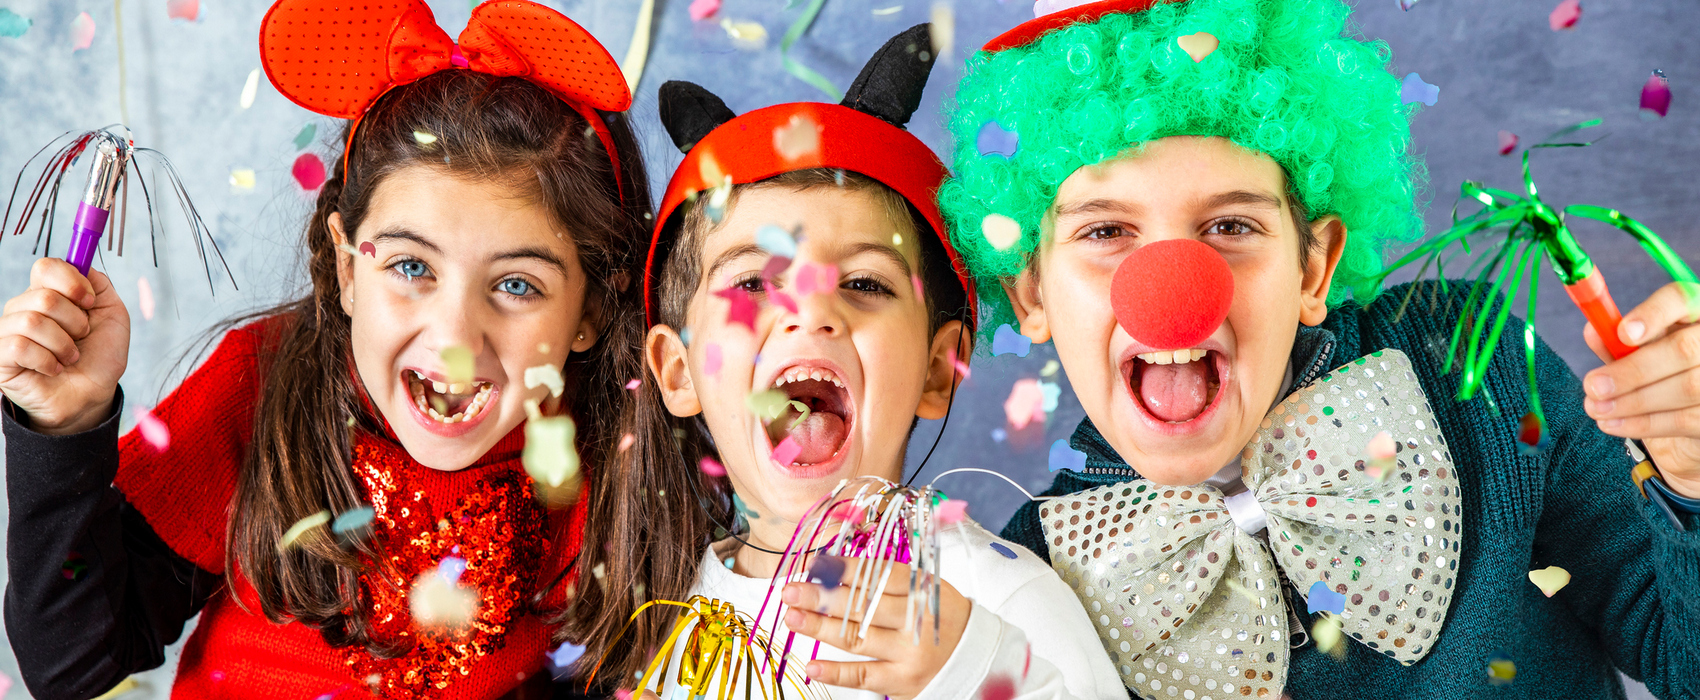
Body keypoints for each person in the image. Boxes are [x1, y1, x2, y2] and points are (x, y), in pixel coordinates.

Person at [938, 0, 1700, 698]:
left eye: (1231, 227)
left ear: (1314, 267)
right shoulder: (1029, 581)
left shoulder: (1473, 364)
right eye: (1105, 232)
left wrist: (1692, 478)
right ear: (1032, 293)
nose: (1171, 294)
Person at [0, 1, 651, 697]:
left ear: (591, 310)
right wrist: (63, 431)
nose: (455, 340)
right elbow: (69, 664)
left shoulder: (615, 455)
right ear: (346, 270)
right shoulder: (264, 383)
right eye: (410, 268)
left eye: (517, 284)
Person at [573, 24, 1124, 700]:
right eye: (752, 284)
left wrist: (976, 670)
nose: (811, 311)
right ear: (679, 372)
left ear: (936, 369)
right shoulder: (659, 626)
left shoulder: (1005, 598)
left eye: (864, 284)